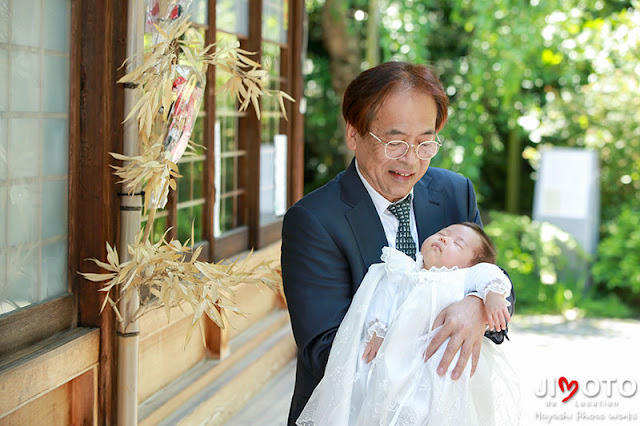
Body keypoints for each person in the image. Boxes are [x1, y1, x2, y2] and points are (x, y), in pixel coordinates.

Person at [281, 61, 515, 425]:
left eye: (425, 143)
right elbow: (324, 350)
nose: (410, 160)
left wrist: (475, 306)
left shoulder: (454, 192)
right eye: (395, 142)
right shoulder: (314, 221)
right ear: (354, 134)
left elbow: (491, 275)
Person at [296, 222, 520, 425]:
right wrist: (379, 329)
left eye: (457, 244)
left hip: (438, 368)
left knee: (427, 409)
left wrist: (490, 297)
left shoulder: (464, 278)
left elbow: (493, 276)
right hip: (392, 360)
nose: (444, 238)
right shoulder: (403, 270)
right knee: (378, 402)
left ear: (470, 265)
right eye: (442, 233)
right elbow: (383, 297)